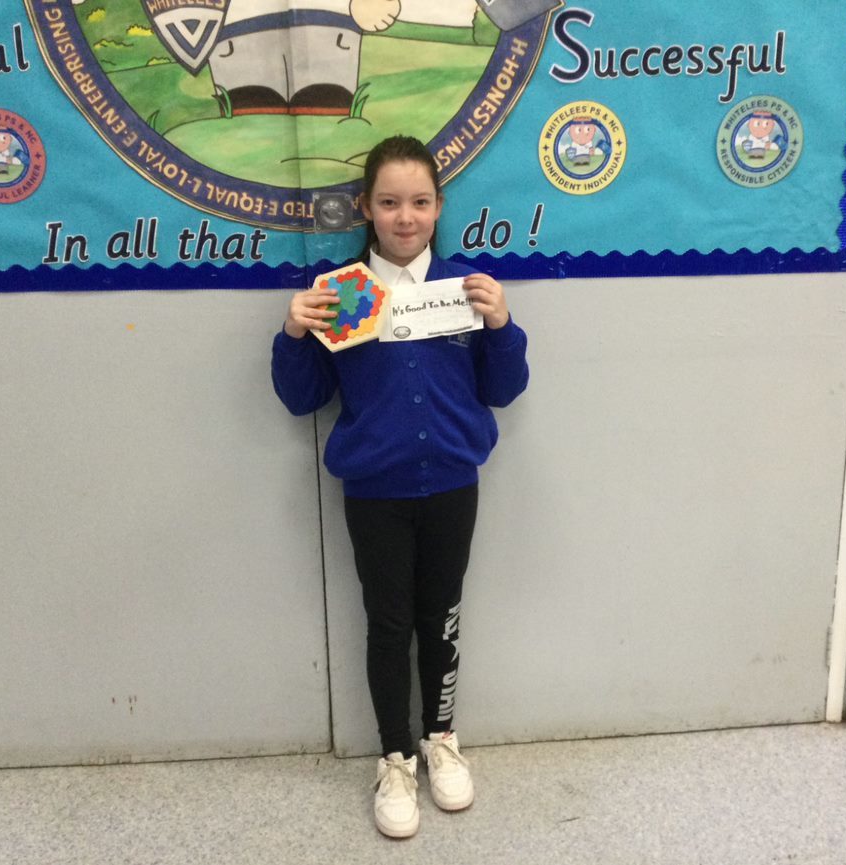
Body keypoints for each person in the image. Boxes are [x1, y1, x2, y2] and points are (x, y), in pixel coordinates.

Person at [271, 135, 529, 838]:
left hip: (451, 485)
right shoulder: (342, 294)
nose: (404, 216)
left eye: (418, 202)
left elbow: (504, 388)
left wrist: (502, 326)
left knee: (441, 618)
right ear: (366, 208)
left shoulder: (464, 289)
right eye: (389, 202)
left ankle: (440, 739)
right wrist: (293, 334)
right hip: (374, 493)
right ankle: (394, 758)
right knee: (388, 624)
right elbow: (302, 399)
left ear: (438, 207)